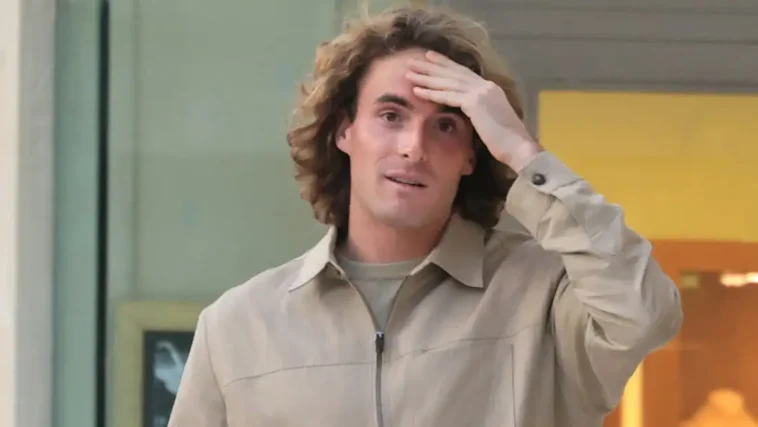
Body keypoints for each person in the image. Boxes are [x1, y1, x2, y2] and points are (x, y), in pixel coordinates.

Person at [167, 5, 682, 427]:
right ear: (344, 131)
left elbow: (646, 313)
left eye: (445, 126)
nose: (414, 147)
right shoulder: (237, 328)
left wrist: (523, 152)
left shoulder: (545, 297)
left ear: (473, 154)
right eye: (391, 116)